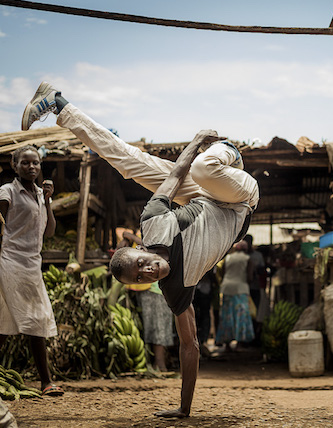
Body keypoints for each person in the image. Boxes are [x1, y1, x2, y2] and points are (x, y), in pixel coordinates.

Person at [22, 81, 259, 418]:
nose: (148, 270)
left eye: (143, 264)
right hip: (240, 201)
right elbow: (190, 347)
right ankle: (59, 105)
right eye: (141, 275)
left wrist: (196, 141)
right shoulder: (176, 290)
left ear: (144, 249)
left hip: (209, 183)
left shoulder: (154, 224)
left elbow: (177, 174)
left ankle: (58, 103)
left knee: (131, 160)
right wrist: (184, 409)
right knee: (186, 169)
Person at [0, 145, 63, 397]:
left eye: (35, 163)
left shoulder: (40, 194)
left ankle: (46, 382)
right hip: (9, 261)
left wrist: (47, 200)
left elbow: (50, 232)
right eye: (25, 163)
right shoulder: (7, 191)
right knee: (7, 321)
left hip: (32, 264)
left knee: (32, 320)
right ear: (15, 166)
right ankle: (46, 380)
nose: (32, 167)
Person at [116, 230, 174, 371]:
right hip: (149, 289)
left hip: (156, 289)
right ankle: (159, 363)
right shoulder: (136, 240)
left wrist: (132, 237)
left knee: (159, 325)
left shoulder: (151, 236)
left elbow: (149, 250)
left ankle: (160, 363)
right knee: (154, 326)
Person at [214, 240, 255, 350]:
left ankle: (227, 344)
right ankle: (239, 342)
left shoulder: (228, 258)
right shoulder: (247, 259)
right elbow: (250, 277)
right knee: (240, 315)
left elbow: (222, 273)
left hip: (227, 287)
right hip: (241, 288)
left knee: (227, 316)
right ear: (246, 249)